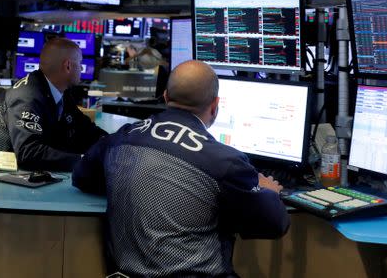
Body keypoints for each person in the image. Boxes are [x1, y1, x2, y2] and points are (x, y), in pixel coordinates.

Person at [73, 60, 290, 277]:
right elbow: (274, 224)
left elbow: (81, 176)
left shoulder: (121, 138)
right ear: (215, 106)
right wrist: (268, 191)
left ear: (166, 96)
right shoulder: (225, 161)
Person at [0, 37, 106, 170]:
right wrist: (83, 161)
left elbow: (86, 130)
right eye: (80, 64)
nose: (81, 69)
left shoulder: (61, 92)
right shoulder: (27, 97)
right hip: (8, 178)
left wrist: (115, 144)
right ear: (68, 66)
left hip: (38, 175)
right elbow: (29, 153)